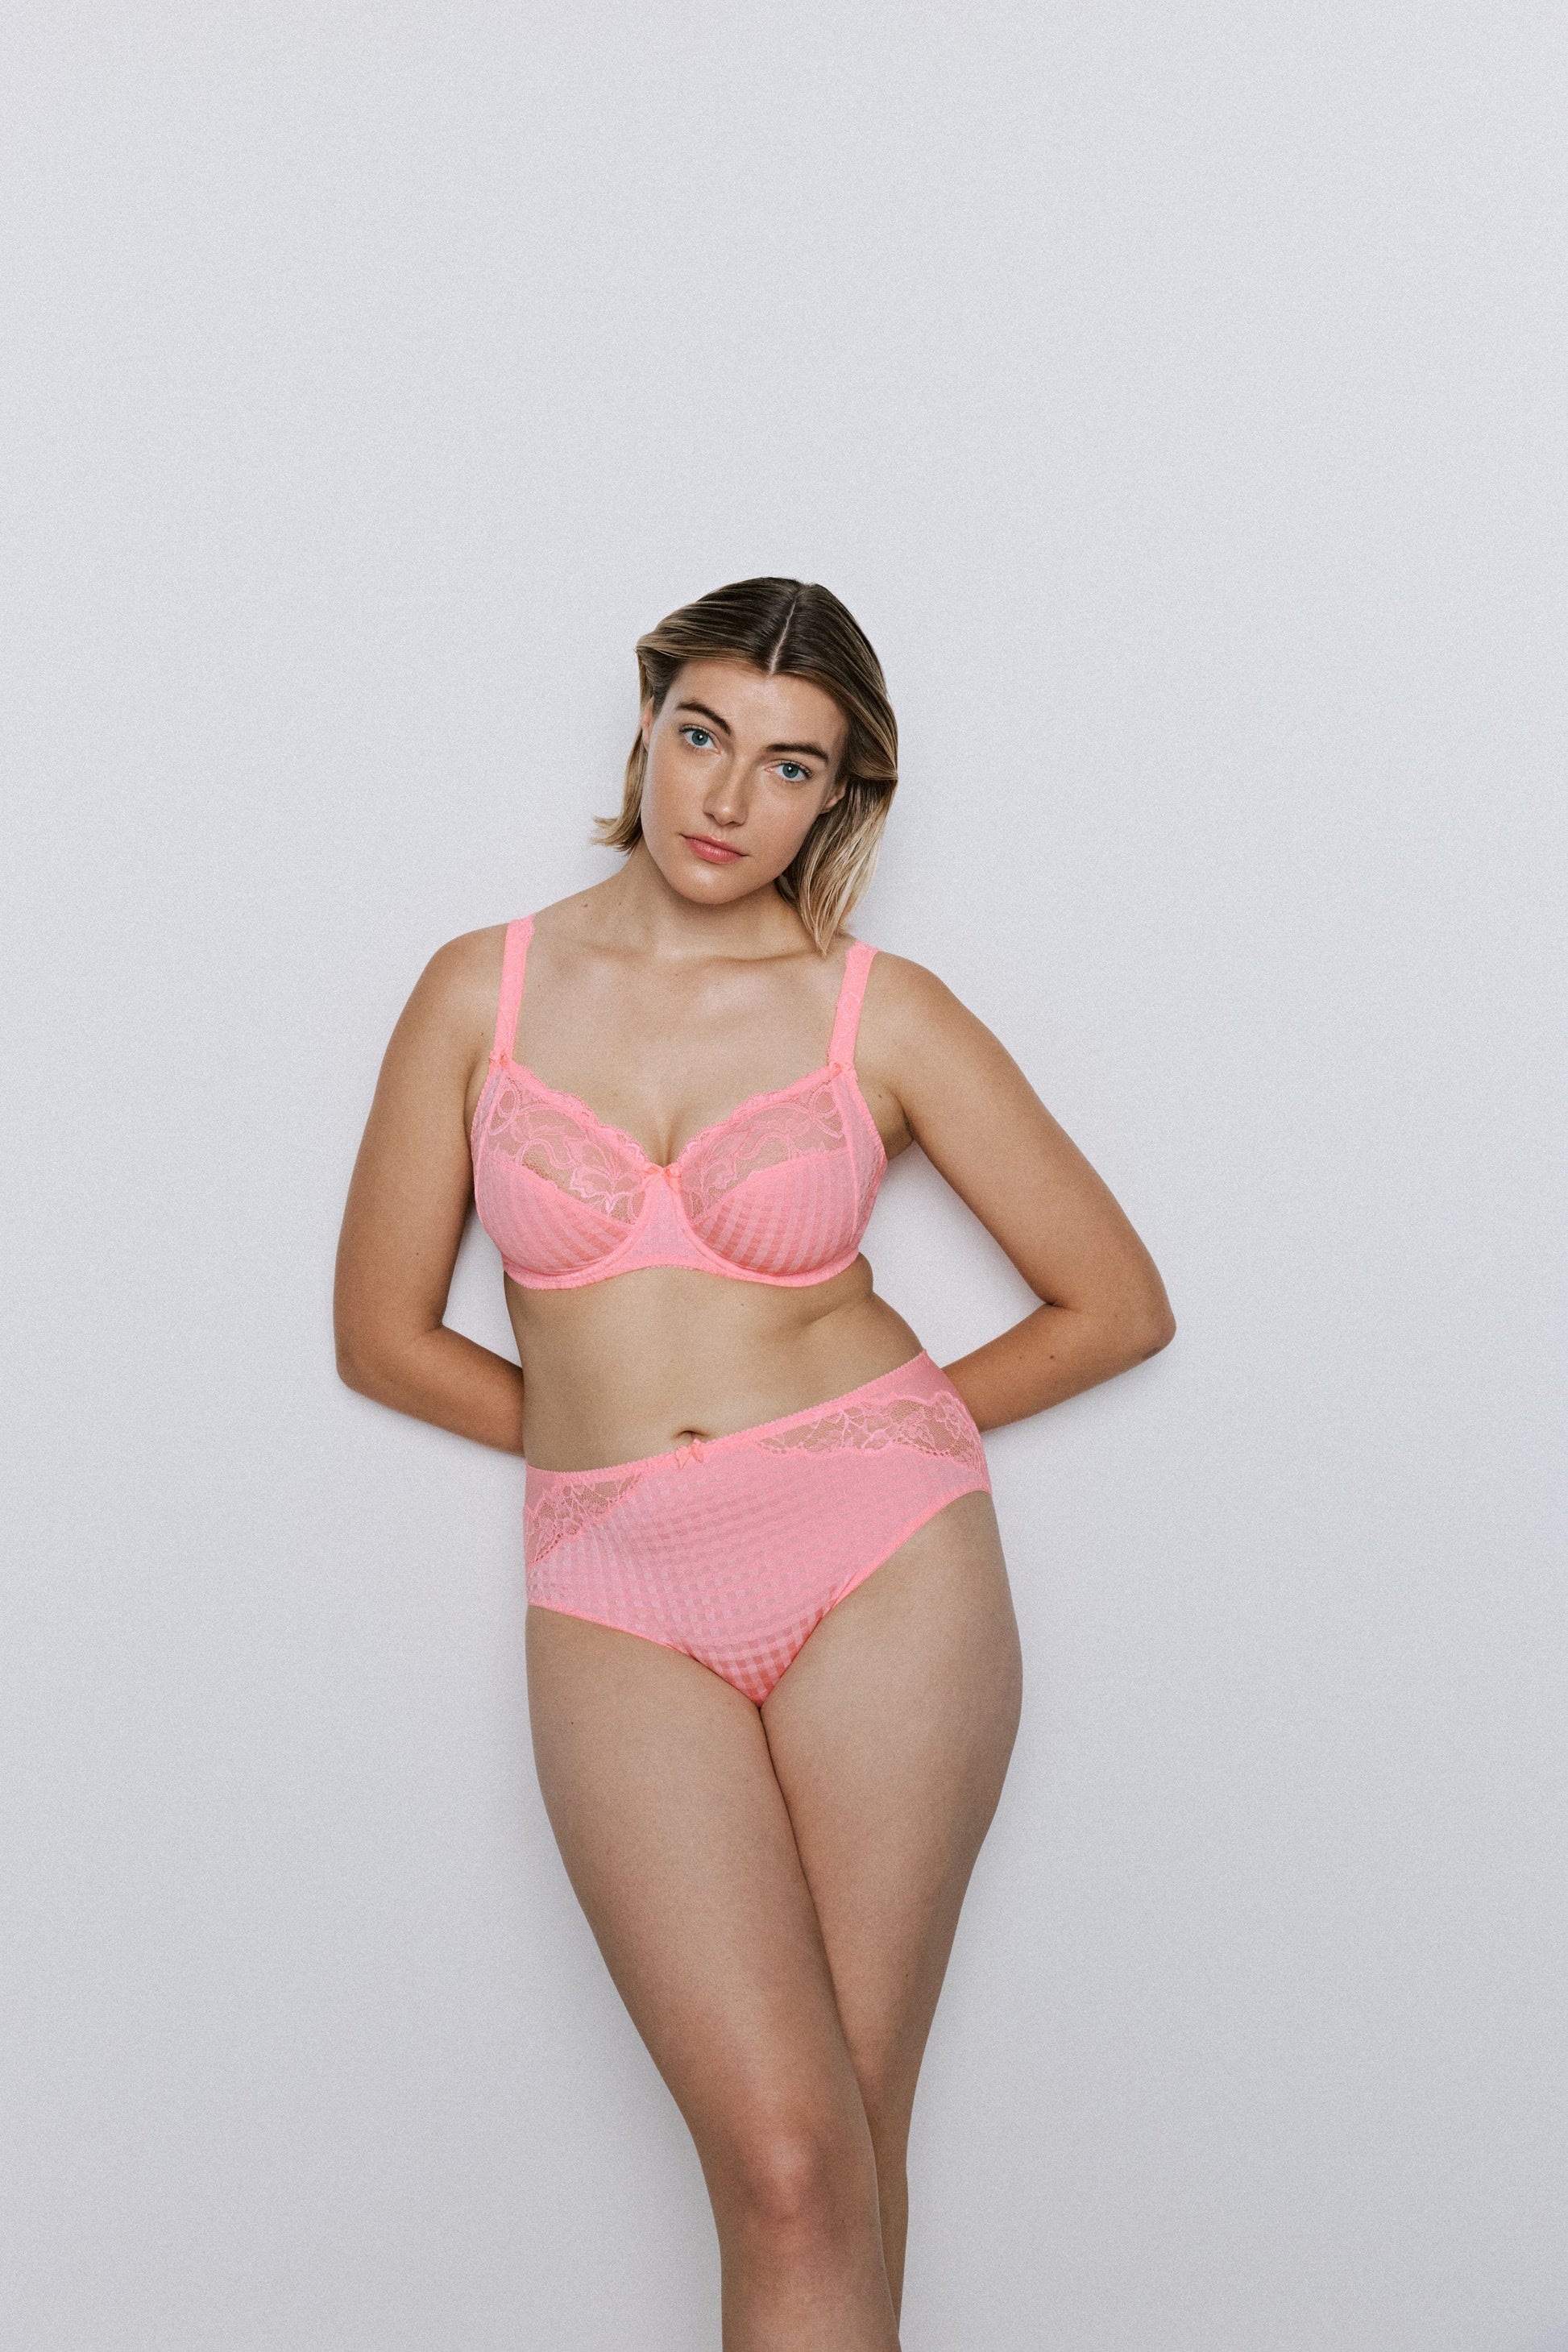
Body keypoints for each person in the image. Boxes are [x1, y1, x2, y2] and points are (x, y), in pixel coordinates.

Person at [334, 576, 1175, 2348]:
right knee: (785, 2160)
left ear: (838, 794)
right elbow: (382, 1335)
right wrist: (626, 1461)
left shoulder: (881, 1010)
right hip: (615, 1580)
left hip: (882, 1560)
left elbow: (1113, 1303)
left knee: (844, 2138)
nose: (727, 798)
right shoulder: (480, 990)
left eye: (789, 766)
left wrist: (865, 1435)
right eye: (702, 735)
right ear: (646, 722)